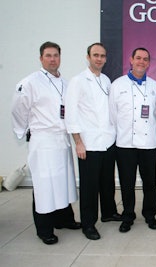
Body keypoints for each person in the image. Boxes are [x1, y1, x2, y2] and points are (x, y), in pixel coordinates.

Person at [11, 41, 81, 245]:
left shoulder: (66, 83)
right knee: (45, 186)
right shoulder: (30, 82)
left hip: (62, 139)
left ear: (60, 57)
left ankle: (64, 219)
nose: (52, 59)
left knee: (63, 183)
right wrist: (23, 130)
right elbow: (18, 108)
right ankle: (44, 228)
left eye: (56, 55)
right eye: (48, 55)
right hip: (43, 140)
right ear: (41, 58)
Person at [65, 43, 121, 240]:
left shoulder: (106, 80)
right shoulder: (77, 81)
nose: (99, 59)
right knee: (90, 186)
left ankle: (108, 213)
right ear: (88, 57)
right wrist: (78, 142)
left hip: (107, 140)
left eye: (102, 56)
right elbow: (70, 114)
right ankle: (88, 223)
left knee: (107, 181)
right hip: (88, 143)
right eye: (95, 55)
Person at [109, 48, 156, 233]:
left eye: (145, 59)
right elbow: (113, 115)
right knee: (127, 182)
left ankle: (150, 215)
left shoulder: (155, 86)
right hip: (125, 144)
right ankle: (128, 215)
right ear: (131, 60)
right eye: (138, 58)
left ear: (149, 63)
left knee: (150, 182)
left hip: (148, 144)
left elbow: (155, 115)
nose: (141, 62)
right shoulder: (117, 85)